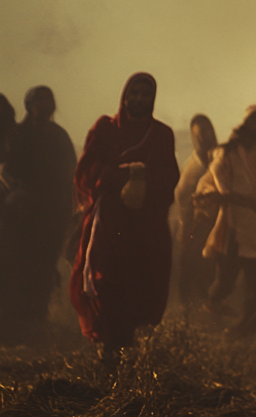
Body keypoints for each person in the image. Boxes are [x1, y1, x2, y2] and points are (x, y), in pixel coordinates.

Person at [70, 73, 179, 364]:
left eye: (146, 94)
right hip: (110, 223)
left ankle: (130, 348)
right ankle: (110, 348)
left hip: (146, 224)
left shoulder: (161, 134)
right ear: (126, 96)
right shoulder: (105, 129)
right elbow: (86, 170)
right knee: (108, 282)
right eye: (135, 93)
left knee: (142, 282)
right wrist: (118, 176)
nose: (140, 99)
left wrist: (145, 178)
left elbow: (170, 176)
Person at [196, 105, 256, 339]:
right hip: (234, 222)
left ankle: (246, 327)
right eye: (254, 120)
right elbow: (218, 180)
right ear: (246, 124)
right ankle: (211, 318)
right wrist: (233, 198)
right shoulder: (229, 152)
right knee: (225, 280)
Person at [0, 87, 77, 343]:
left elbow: (69, 175)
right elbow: (6, 170)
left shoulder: (59, 137)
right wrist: (19, 193)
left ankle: (37, 320)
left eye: (48, 100)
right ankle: (16, 323)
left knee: (43, 266)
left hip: (50, 212)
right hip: (20, 212)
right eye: (39, 100)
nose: (44, 105)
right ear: (28, 105)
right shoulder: (17, 135)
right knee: (18, 265)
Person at [174, 114, 218, 307]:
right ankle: (187, 305)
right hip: (192, 223)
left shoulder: (219, 158)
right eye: (201, 136)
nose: (206, 138)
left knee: (211, 265)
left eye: (209, 133)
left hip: (215, 221)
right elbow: (182, 196)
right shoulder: (191, 168)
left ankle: (206, 301)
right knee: (189, 264)